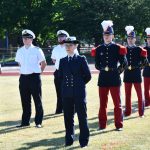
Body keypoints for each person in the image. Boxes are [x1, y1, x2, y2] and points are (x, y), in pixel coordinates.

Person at [95, 20, 128, 131]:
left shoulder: (118, 48)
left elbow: (124, 63)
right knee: (102, 103)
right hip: (103, 78)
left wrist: (117, 72)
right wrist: (103, 69)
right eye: (105, 35)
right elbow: (96, 64)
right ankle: (102, 125)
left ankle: (119, 125)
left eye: (108, 35)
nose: (106, 37)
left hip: (114, 78)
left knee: (117, 103)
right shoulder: (99, 48)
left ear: (112, 36)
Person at [59, 36, 91, 148]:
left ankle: (84, 141)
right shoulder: (62, 61)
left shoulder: (81, 59)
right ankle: (69, 139)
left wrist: (79, 85)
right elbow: (60, 76)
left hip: (79, 92)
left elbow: (88, 76)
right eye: (66, 45)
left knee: (82, 117)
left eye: (70, 45)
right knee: (68, 117)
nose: (68, 47)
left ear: (75, 46)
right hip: (66, 93)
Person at [15, 29, 47, 128]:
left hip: (34, 77)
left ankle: (38, 122)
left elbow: (44, 63)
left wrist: (39, 72)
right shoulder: (20, 50)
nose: (25, 40)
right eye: (24, 38)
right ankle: (25, 121)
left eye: (27, 38)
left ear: (31, 39)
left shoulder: (37, 50)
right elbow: (19, 63)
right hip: (23, 78)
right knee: (25, 100)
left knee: (37, 100)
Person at [51, 30, 79, 114]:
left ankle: (73, 109)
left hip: (69, 72)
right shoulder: (55, 48)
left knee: (70, 91)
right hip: (58, 72)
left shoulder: (71, 46)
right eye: (59, 37)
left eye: (62, 36)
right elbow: (53, 59)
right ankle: (59, 109)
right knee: (59, 91)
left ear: (66, 37)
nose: (60, 38)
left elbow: (76, 59)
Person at [123, 26, 147, 117]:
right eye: (128, 38)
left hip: (136, 73)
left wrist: (138, 68)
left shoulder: (139, 49)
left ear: (135, 39)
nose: (130, 40)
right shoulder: (124, 49)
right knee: (127, 95)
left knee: (139, 94)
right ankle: (127, 112)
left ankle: (141, 112)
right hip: (127, 74)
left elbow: (145, 62)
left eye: (132, 38)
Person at [143, 28, 150, 107]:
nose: (149, 40)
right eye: (148, 39)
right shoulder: (144, 49)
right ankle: (147, 102)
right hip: (146, 70)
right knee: (146, 89)